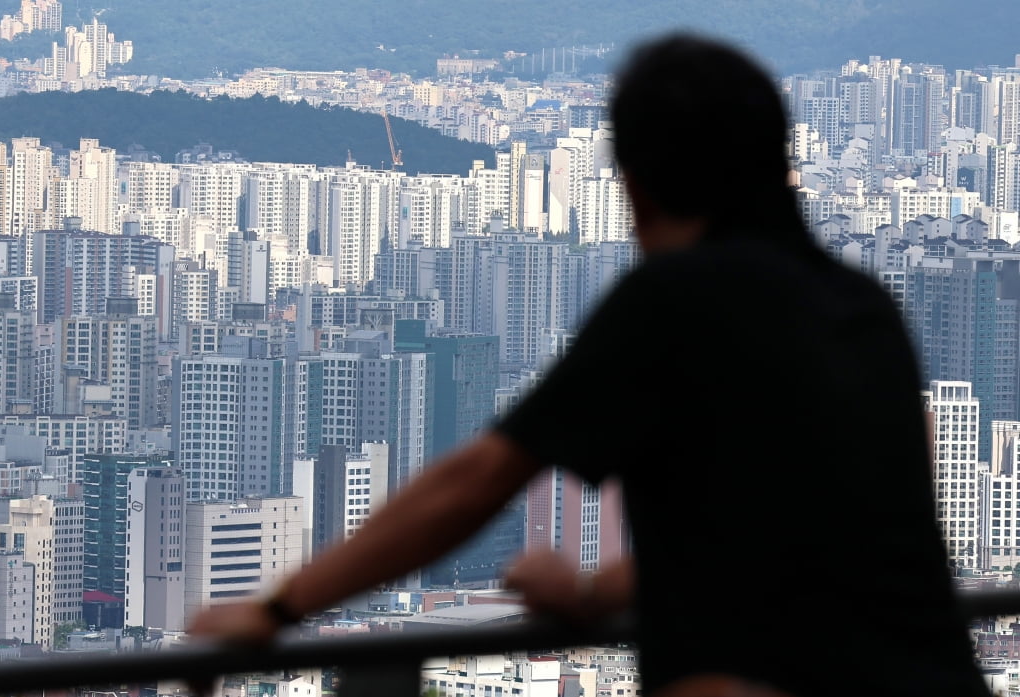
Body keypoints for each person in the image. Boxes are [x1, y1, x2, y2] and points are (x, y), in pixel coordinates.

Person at [189, 34, 990, 697]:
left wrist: (279, 605)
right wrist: (591, 595)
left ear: (636, 186)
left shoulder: (678, 297)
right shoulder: (864, 306)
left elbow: (479, 478)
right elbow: (798, 548)